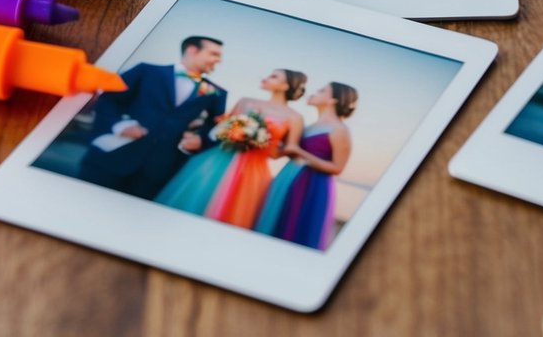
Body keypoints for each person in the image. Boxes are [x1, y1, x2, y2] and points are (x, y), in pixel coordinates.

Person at [78, 35, 227, 199]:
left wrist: (201, 140)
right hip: (112, 158)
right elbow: (109, 99)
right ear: (192, 50)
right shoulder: (146, 71)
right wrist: (120, 126)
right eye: (214, 54)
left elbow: (217, 127)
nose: (218, 60)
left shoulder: (217, 92)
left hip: (160, 171)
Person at [156, 69, 306, 229]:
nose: (266, 77)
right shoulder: (246, 102)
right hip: (220, 158)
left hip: (254, 170)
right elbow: (222, 131)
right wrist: (235, 133)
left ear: (285, 85)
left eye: (274, 76)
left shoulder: (295, 118)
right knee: (196, 198)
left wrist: (262, 142)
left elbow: (283, 152)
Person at [255, 82, 358, 249]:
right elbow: (283, 152)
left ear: (333, 100)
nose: (314, 92)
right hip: (288, 177)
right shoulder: (308, 126)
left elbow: (337, 168)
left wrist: (300, 152)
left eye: (321, 90)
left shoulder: (340, 130)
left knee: (294, 228)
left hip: (311, 185)